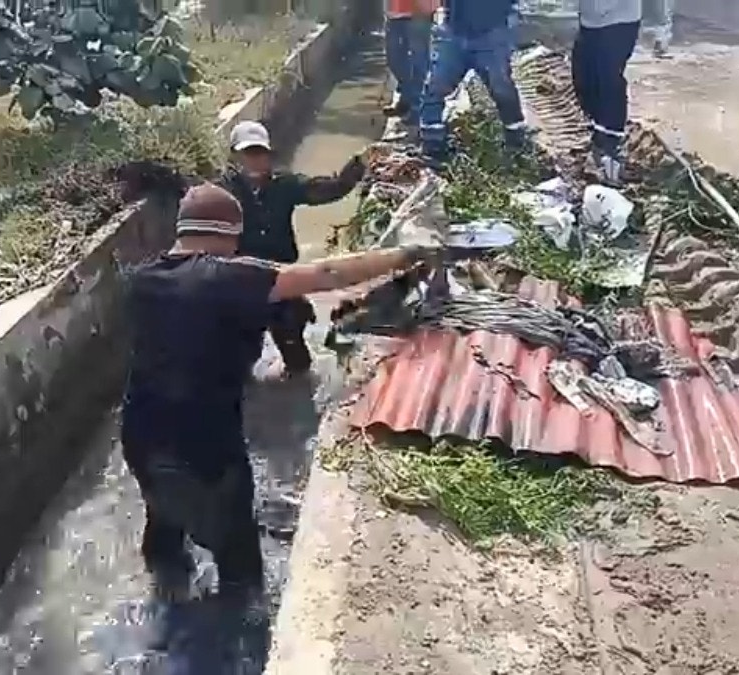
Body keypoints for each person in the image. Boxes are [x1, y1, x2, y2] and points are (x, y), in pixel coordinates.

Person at [121, 182, 437, 599]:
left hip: (139, 433)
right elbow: (327, 274)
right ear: (230, 234)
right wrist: (407, 254)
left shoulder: (142, 279)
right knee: (238, 561)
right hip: (204, 441)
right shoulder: (230, 275)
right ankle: (236, 623)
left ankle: (166, 583)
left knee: (163, 511)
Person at [217, 120, 369, 376]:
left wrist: (359, 165)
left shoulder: (284, 185)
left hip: (282, 278)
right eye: (248, 154)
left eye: (260, 153)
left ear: (269, 155)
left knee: (297, 356)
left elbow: (328, 190)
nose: (255, 161)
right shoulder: (220, 191)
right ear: (234, 156)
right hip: (239, 281)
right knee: (235, 368)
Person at [414, 0, 527, 160]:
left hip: (493, 31)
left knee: (501, 88)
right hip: (453, 30)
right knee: (435, 87)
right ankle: (432, 149)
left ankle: (516, 143)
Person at [572, 0, 642, 184]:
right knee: (583, 78)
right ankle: (600, 132)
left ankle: (611, 144)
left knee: (608, 79)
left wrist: (661, 27)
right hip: (590, 21)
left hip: (620, 21)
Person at [383, 0, 439, 119]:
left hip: (419, 13)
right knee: (394, 59)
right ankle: (407, 98)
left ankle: (414, 109)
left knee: (419, 62)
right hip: (394, 13)